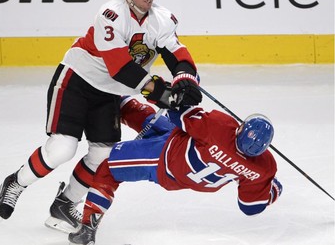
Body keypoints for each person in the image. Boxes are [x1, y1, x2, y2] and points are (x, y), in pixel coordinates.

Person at [0, 0, 202, 234]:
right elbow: (120, 67)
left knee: (103, 155)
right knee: (62, 148)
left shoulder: (161, 19)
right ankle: (16, 182)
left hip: (109, 92)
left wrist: (185, 78)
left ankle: (65, 203)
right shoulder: (111, 14)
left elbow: (177, 54)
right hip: (77, 82)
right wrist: (160, 91)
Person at [68, 96, 283, 244]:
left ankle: (87, 227)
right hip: (178, 154)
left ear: (241, 129)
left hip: (163, 160)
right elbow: (250, 207)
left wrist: (167, 93)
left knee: (108, 167)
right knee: (144, 115)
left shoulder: (219, 127)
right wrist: (270, 190)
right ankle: (111, 95)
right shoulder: (263, 168)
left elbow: (178, 114)